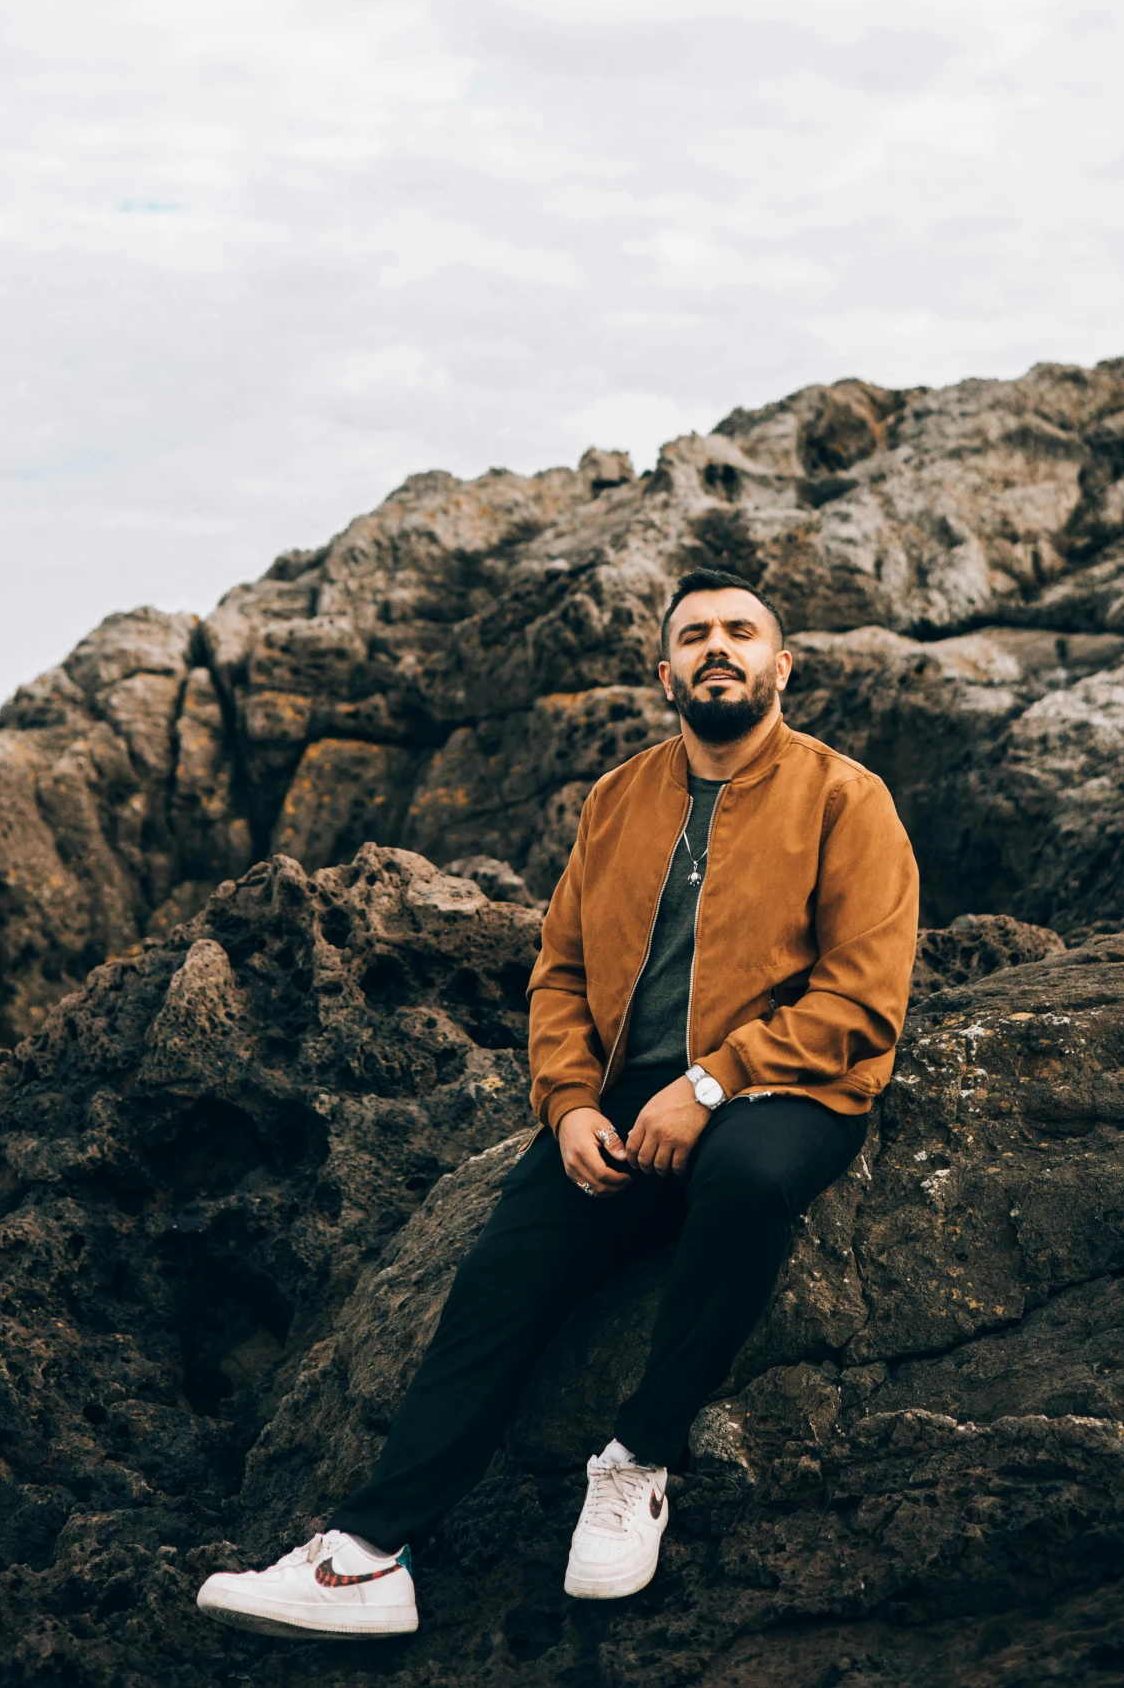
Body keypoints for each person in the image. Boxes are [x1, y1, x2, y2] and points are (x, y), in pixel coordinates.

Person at [197, 565, 919, 1640]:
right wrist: (572, 1104)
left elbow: (863, 995)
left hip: (786, 1082)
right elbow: (561, 973)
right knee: (503, 1266)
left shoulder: (843, 797)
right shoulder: (619, 797)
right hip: (625, 1098)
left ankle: (636, 1460)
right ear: (663, 669)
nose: (715, 647)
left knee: (747, 1178)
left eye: (738, 631)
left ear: (782, 664)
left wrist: (709, 1082)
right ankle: (365, 1555)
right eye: (693, 635)